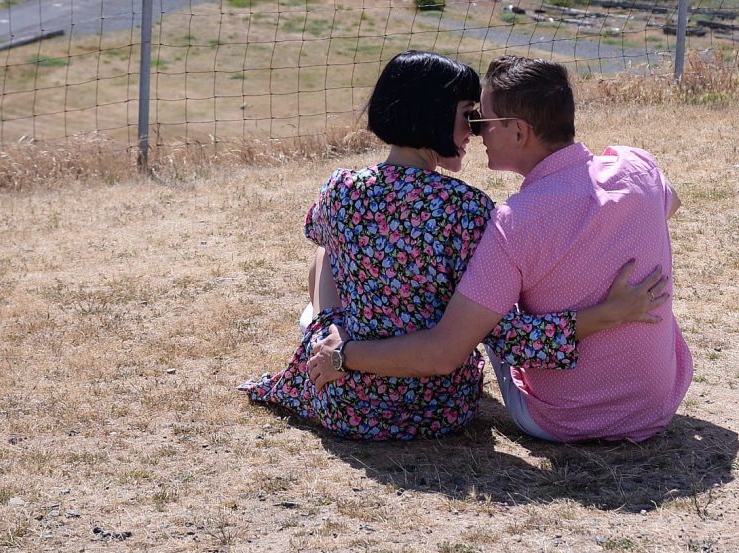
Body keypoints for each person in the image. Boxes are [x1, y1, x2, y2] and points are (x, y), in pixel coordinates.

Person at [240, 50, 665, 441]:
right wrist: (605, 313)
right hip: (438, 410)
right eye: (468, 116)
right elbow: (505, 337)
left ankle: (325, 328)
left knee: (325, 258)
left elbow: (322, 245)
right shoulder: (468, 210)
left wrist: (334, 330)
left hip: (345, 402)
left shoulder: (340, 189)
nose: (474, 132)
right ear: (435, 115)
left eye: (480, 119)